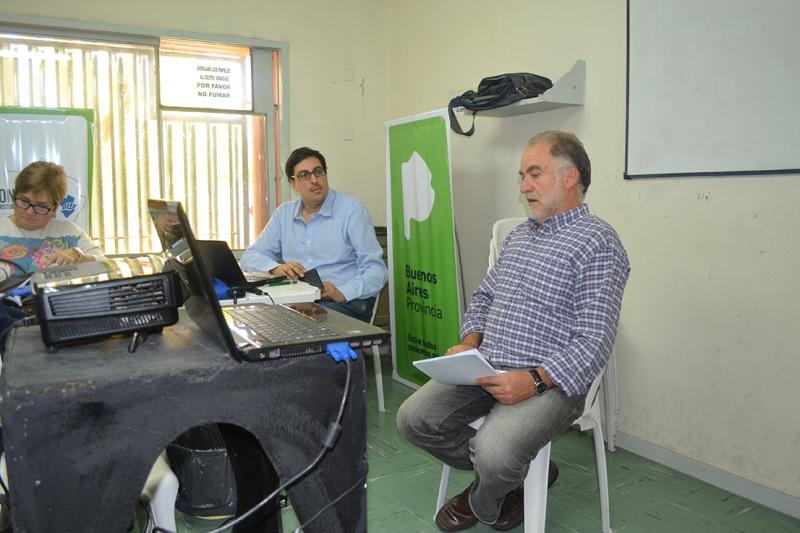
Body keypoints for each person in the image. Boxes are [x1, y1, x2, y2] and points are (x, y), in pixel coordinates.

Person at [396, 131, 630, 532]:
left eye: (534, 174)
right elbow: (485, 297)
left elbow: (594, 342)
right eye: (522, 176)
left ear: (569, 177)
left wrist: (534, 380)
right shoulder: (520, 236)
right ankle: (508, 480)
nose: (523, 186)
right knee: (413, 419)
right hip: (486, 366)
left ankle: (485, 499)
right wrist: (469, 342)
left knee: (495, 452)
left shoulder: (598, 242)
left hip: (551, 383)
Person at [241, 147, 387, 322]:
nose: (314, 180)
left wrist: (343, 292)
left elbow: (377, 270)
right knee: (254, 318)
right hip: (298, 302)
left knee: (296, 325)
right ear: (293, 183)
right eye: (304, 175)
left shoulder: (352, 211)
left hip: (343, 302)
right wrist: (275, 268)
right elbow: (250, 257)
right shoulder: (284, 214)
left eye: (318, 172)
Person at [0, 161, 105, 350]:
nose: (29, 212)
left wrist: (77, 254)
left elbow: (106, 265)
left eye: (40, 207)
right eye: (23, 201)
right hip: (9, 315)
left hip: (56, 312)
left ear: (55, 208)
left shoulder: (69, 232)